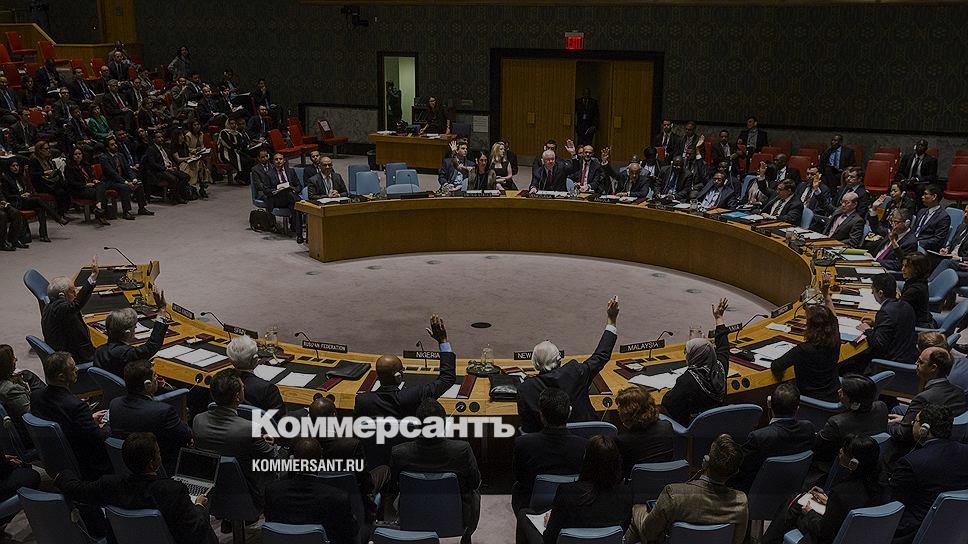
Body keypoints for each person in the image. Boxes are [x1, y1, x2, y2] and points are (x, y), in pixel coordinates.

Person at [55, 432, 216, 544]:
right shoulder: (173, 490)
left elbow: (76, 489)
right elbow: (195, 531)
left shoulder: (109, 485)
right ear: (152, 463)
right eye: (158, 452)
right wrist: (199, 506)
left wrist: (62, 474)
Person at [354, 314, 456, 467]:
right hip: (411, 460)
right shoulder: (414, 396)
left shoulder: (363, 401)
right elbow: (447, 378)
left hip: (376, 462)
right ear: (398, 376)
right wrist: (443, 341)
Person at [517, 297, 619, 433]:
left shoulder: (526, 388)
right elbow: (601, 356)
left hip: (545, 443)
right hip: (585, 439)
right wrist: (611, 320)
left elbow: (528, 428)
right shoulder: (575, 372)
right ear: (559, 360)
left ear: (534, 364)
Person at [763, 435, 889, 544]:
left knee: (796, 502)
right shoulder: (883, 484)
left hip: (830, 538)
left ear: (853, 463)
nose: (840, 451)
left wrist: (810, 512)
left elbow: (822, 532)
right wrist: (829, 501)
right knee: (797, 500)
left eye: (844, 450)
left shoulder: (841, 492)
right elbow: (851, 507)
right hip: (860, 536)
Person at [624, 434, 748, 544]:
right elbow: (737, 541)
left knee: (638, 510)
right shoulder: (740, 502)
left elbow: (649, 533)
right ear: (735, 471)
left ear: (706, 461)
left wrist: (637, 510)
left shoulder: (673, 494)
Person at [391, 398, 481, 541]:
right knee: (475, 492)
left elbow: (393, 487)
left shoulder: (399, 453)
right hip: (455, 517)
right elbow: (474, 483)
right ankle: (466, 535)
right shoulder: (462, 450)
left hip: (412, 515)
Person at [192, 368, 280, 506]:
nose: (244, 388)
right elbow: (272, 457)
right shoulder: (250, 428)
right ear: (238, 397)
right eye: (243, 387)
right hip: (248, 493)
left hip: (211, 491)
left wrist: (257, 440)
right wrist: (271, 444)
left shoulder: (198, 420)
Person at [518, 436, 631, 544]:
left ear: (586, 460)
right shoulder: (627, 494)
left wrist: (549, 524)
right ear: (617, 462)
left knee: (524, 514)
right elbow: (622, 531)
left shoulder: (567, 492)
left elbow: (549, 539)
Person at [889, 403, 968, 544]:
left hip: (911, 533)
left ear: (924, 429)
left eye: (916, 421)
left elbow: (892, 505)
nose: (912, 423)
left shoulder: (911, 462)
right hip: (955, 529)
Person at [31, 352, 111, 479]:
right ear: (61, 377)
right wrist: (110, 424)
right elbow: (98, 438)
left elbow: (64, 422)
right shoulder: (76, 406)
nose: (77, 369)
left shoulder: (35, 396)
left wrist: (88, 420)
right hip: (87, 462)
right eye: (73, 368)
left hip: (57, 455)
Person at [264, 438, 357, 544]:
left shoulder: (272, 491)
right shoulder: (338, 497)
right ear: (320, 460)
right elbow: (349, 534)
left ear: (293, 460)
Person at [309, 397, 387, 521]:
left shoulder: (302, 443)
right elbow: (366, 482)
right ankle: (374, 518)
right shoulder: (351, 445)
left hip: (315, 497)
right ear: (333, 416)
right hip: (351, 498)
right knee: (385, 470)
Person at [511, 388, 589, 513]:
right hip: (573, 501)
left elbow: (520, 477)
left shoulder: (523, 443)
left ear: (541, 415)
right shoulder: (585, 445)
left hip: (532, 502)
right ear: (569, 413)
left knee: (517, 488)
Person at [109, 360, 192, 475]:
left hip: (125, 466)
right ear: (147, 384)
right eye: (155, 376)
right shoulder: (163, 411)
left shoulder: (114, 404)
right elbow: (185, 436)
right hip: (160, 468)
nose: (157, 379)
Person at [731, 383, 816, 493]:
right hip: (791, 491)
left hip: (756, 494)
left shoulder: (759, 438)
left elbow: (738, 472)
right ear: (797, 409)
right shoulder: (808, 428)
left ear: (770, 405)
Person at [662, 298, 730, 425]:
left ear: (693, 357)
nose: (686, 356)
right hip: (718, 425)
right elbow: (724, 347)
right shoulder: (720, 369)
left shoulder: (687, 380)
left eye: (687, 353)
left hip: (692, 428)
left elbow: (667, 403)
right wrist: (719, 318)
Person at [771, 279, 841, 402]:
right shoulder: (835, 340)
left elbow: (776, 366)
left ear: (810, 327)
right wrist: (826, 295)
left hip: (809, 403)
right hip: (834, 397)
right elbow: (834, 319)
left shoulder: (802, 350)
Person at [886, 347, 967, 453]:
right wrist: (910, 421)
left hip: (924, 441)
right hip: (946, 432)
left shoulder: (923, 398)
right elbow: (940, 419)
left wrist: (885, 425)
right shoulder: (959, 392)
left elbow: (903, 434)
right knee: (897, 409)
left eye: (920, 362)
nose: (916, 363)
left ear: (933, 368)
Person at [814, 375, 888, 464]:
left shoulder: (836, 423)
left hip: (836, 463)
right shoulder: (882, 406)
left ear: (854, 401)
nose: (839, 391)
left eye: (843, 392)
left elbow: (818, 449)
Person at [93, 291, 170, 377]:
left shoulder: (99, 351)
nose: (136, 327)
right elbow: (152, 345)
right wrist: (162, 309)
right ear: (127, 333)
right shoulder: (128, 354)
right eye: (134, 326)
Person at [855, 273, 918, 369]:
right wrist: (877, 323)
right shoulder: (906, 305)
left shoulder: (885, 312)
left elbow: (878, 344)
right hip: (908, 355)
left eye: (873, 291)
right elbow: (896, 327)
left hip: (892, 362)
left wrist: (867, 330)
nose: (872, 293)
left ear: (880, 293)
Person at [42, 259, 99, 362]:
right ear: (62, 295)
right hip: (73, 357)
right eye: (73, 292)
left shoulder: (49, 306)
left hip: (65, 349)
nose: (76, 294)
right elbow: (76, 304)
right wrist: (93, 276)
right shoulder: (60, 308)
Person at [0, 159, 65, 242]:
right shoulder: (6, 179)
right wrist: (20, 196)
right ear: (9, 167)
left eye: (17, 165)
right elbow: (7, 196)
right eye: (13, 166)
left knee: (40, 208)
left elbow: (25, 189)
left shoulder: (20, 176)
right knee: (38, 200)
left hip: (24, 200)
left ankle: (44, 235)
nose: (16, 168)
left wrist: (27, 194)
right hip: (15, 202)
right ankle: (57, 218)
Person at [614, 386, 674, 477]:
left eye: (620, 407)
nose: (618, 410)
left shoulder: (622, 440)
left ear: (627, 412)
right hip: (665, 479)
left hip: (635, 482)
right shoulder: (667, 426)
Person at [226, 335, 284, 413]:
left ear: (230, 360)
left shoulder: (221, 381)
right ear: (256, 359)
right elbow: (280, 418)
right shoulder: (268, 389)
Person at [99, 136, 153, 217]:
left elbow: (128, 169)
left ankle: (142, 208)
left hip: (122, 179)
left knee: (139, 184)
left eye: (115, 144)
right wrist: (127, 182)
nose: (115, 146)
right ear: (107, 148)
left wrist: (133, 179)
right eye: (112, 145)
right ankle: (126, 212)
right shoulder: (104, 158)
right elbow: (112, 173)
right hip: (110, 182)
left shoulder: (120, 155)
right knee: (125, 187)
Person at [258, 152, 304, 243]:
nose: (279, 161)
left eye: (280, 159)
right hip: (277, 199)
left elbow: (299, 186)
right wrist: (276, 190)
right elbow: (266, 190)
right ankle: (298, 214)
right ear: (273, 161)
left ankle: (299, 235)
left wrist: (293, 188)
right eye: (276, 159)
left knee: (293, 203)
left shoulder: (291, 171)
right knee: (295, 202)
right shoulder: (268, 174)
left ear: (284, 160)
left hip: (290, 198)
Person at [0, 345, 43, 436]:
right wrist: (34, 387)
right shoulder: (11, 390)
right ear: (5, 365)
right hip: (30, 434)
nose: (16, 359)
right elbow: (33, 415)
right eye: (12, 357)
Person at [143, 130, 190, 203]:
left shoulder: (165, 148)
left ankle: (176, 195)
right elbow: (153, 164)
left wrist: (174, 166)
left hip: (169, 168)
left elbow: (171, 159)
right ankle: (176, 197)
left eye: (162, 137)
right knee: (174, 179)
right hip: (159, 171)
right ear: (154, 139)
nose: (161, 139)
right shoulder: (151, 149)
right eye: (158, 137)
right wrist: (166, 168)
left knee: (186, 177)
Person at [30, 138, 73, 214]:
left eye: (48, 148)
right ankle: (59, 212)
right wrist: (44, 172)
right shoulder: (34, 160)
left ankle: (63, 210)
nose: (48, 150)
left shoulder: (48, 158)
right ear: (39, 150)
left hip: (51, 181)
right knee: (61, 191)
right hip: (41, 183)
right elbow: (33, 174)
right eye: (46, 149)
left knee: (67, 188)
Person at [910, 184, 950, 252]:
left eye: (925, 194)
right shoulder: (921, 211)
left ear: (934, 197)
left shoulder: (943, 217)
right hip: (911, 243)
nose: (922, 197)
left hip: (923, 248)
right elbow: (913, 230)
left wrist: (917, 243)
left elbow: (938, 240)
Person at [899, 253, 935, 328]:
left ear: (917, 269)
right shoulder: (917, 280)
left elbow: (895, 308)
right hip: (918, 319)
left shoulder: (916, 289)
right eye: (903, 265)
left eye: (907, 267)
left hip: (919, 327)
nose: (902, 269)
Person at [171, 128, 208, 199]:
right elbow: (178, 159)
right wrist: (188, 158)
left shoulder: (184, 144)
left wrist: (194, 157)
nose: (183, 136)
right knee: (192, 168)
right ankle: (195, 186)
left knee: (200, 163)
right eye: (181, 135)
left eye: (183, 135)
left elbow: (188, 153)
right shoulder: (174, 146)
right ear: (176, 136)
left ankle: (202, 185)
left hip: (188, 161)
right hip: (181, 164)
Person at [218, 115, 251, 183]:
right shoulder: (224, 132)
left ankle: (242, 178)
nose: (233, 125)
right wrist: (236, 146)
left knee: (248, 159)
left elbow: (240, 145)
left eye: (234, 123)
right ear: (228, 124)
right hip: (226, 153)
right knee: (242, 160)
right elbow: (228, 145)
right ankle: (241, 178)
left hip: (235, 152)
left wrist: (237, 146)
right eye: (231, 123)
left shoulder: (238, 134)